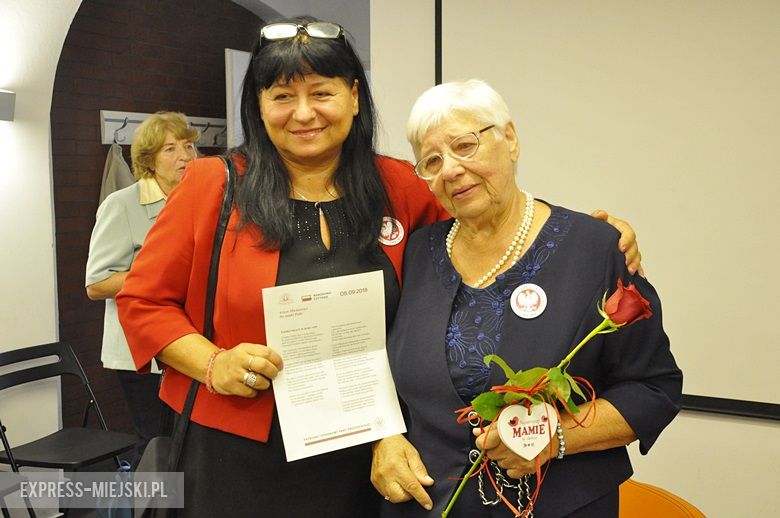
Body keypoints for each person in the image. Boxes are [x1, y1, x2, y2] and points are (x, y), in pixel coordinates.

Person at [116, 18, 643, 517]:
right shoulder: (213, 185)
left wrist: (580, 235)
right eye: (282, 96)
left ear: (353, 96)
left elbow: (486, 220)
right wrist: (213, 364)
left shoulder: (400, 186)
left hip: (372, 451)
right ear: (258, 106)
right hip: (236, 450)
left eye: (321, 92)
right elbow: (142, 302)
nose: (304, 113)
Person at [371, 80, 683, 517]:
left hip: (557, 506)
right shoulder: (416, 255)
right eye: (432, 161)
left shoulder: (593, 249)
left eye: (465, 145)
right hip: (429, 505)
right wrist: (383, 437)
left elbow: (654, 389)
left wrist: (555, 437)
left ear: (510, 139)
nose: (451, 169)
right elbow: (379, 370)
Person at [85, 111, 198, 466]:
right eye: (170, 149)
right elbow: (97, 283)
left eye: (188, 145)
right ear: (148, 160)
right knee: (157, 445)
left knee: (190, 444)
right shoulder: (121, 205)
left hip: (189, 342)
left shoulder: (199, 199)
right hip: (142, 354)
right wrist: (159, 275)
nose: (184, 155)